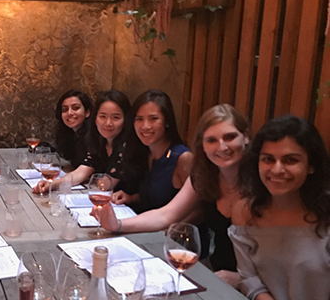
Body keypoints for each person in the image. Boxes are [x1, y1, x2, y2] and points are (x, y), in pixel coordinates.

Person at [92, 104, 249, 286]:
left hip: (254, 285)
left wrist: (243, 280)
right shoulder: (206, 175)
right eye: (212, 140)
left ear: (246, 137)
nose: (221, 147)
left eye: (229, 137)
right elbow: (165, 214)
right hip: (217, 276)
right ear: (203, 146)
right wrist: (116, 225)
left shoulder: (260, 180)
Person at [229, 115, 330, 300]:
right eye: (268, 159)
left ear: (311, 165)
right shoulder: (245, 212)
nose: (277, 169)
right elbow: (252, 284)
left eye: (290, 160)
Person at [33, 90, 132, 193]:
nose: (108, 123)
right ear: (95, 118)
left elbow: (106, 184)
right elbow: (81, 172)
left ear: (126, 120)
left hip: (129, 206)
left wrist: (99, 179)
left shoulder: (126, 145)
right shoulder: (99, 141)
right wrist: (52, 184)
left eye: (115, 117)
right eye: (103, 116)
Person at [113, 89, 193, 213]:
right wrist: (131, 198)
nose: (145, 126)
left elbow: (197, 210)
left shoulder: (182, 158)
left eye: (153, 118)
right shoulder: (144, 152)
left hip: (171, 230)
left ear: (167, 122)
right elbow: (155, 197)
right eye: (139, 119)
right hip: (146, 225)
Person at [54, 90, 93, 169]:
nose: (70, 113)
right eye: (65, 110)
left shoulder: (93, 137)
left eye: (75, 108)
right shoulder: (69, 135)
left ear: (87, 112)